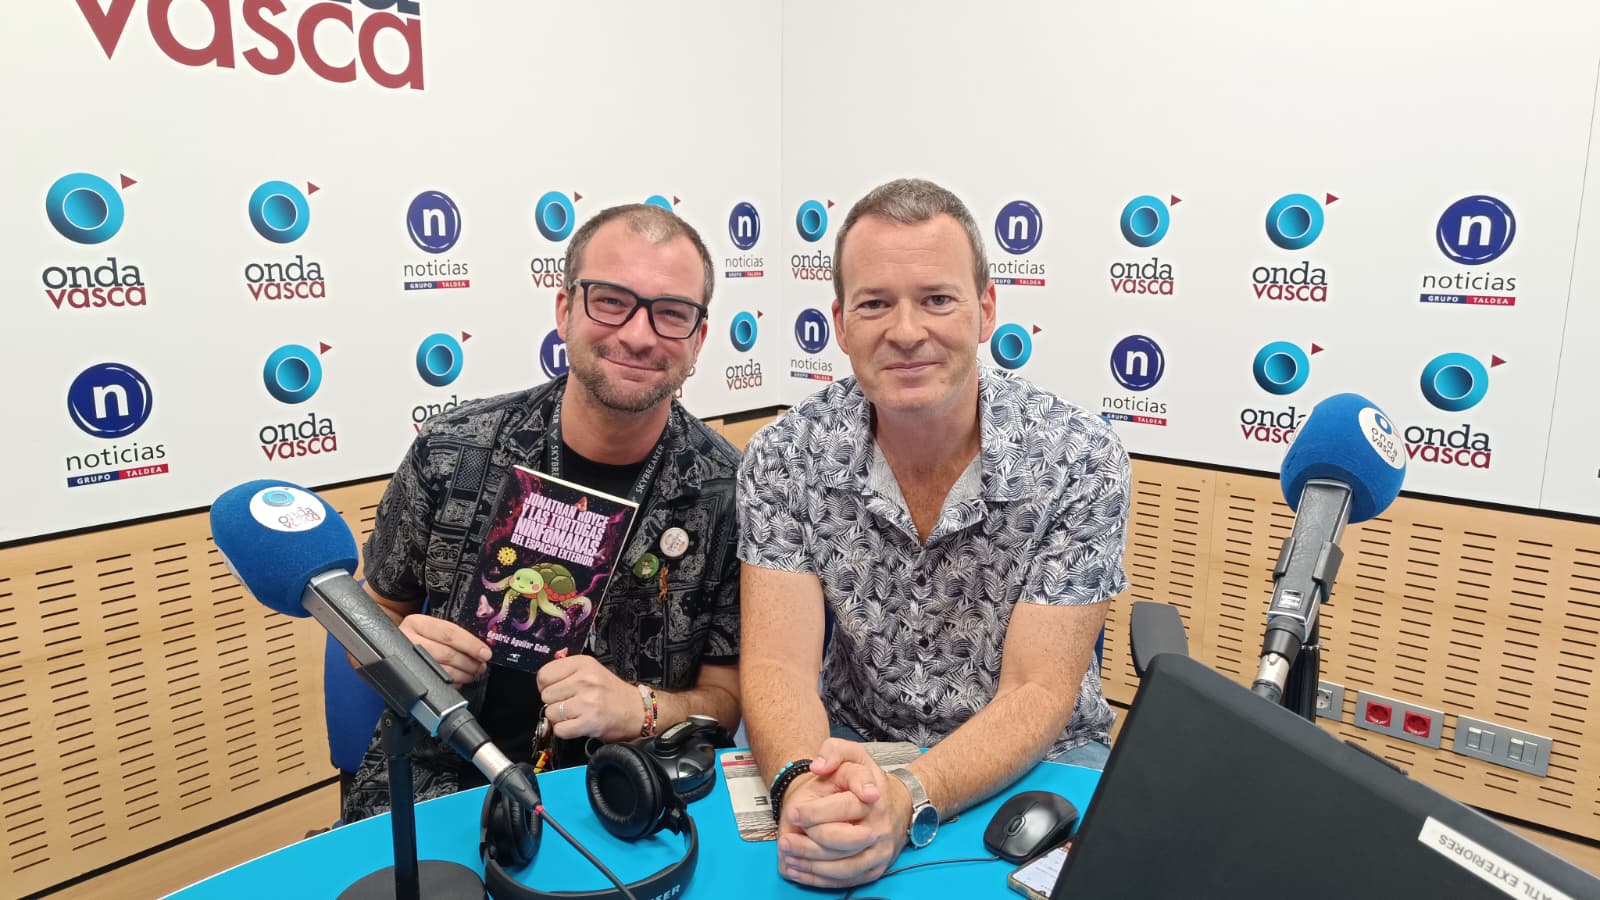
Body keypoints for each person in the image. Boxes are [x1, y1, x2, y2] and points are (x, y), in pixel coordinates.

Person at [737, 178, 1131, 888]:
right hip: (852, 749)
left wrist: (910, 795)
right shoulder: (782, 455)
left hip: (1041, 762)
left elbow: (1037, 692)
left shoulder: (1080, 458)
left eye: (938, 299)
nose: (907, 330)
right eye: (875, 303)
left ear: (985, 311)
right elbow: (778, 669)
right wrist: (801, 783)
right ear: (840, 322)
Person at [342, 204, 742, 822]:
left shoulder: (728, 492)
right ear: (564, 311)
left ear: (698, 340)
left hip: (626, 791)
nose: (638, 335)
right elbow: (368, 620)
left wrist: (638, 709)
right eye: (610, 300)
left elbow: (728, 700)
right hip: (438, 777)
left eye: (671, 314)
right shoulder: (453, 449)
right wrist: (399, 652)